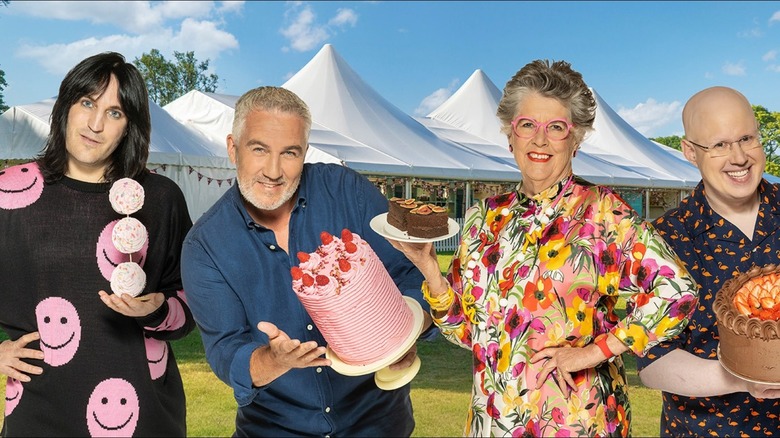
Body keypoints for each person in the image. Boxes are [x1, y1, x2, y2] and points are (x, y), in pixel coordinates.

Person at [386, 59, 700, 437]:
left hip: (578, 422)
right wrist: (430, 270)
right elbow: (468, 334)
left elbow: (677, 292)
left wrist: (595, 352)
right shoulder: (482, 217)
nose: (540, 140)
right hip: (493, 420)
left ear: (576, 138)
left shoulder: (602, 212)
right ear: (510, 135)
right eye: (527, 125)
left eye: (556, 127)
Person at [180, 86, 433, 437]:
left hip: (377, 424)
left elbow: (409, 275)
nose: (273, 170)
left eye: (289, 152)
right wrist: (273, 360)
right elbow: (226, 351)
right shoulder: (205, 246)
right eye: (259, 149)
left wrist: (404, 335)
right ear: (233, 149)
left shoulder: (349, 192)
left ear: (304, 152)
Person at [0, 52, 195, 436]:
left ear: (129, 127)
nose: (95, 124)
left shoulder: (160, 198)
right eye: (87, 103)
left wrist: (157, 309)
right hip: (40, 412)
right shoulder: (9, 193)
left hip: (144, 412)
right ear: (64, 107)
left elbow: (194, 302)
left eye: (115, 113)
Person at [636, 86, 780, 436]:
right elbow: (652, 362)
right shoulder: (662, 240)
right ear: (690, 151)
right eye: (719, 145)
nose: (739, 157)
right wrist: (742, 377)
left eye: (747, 138)